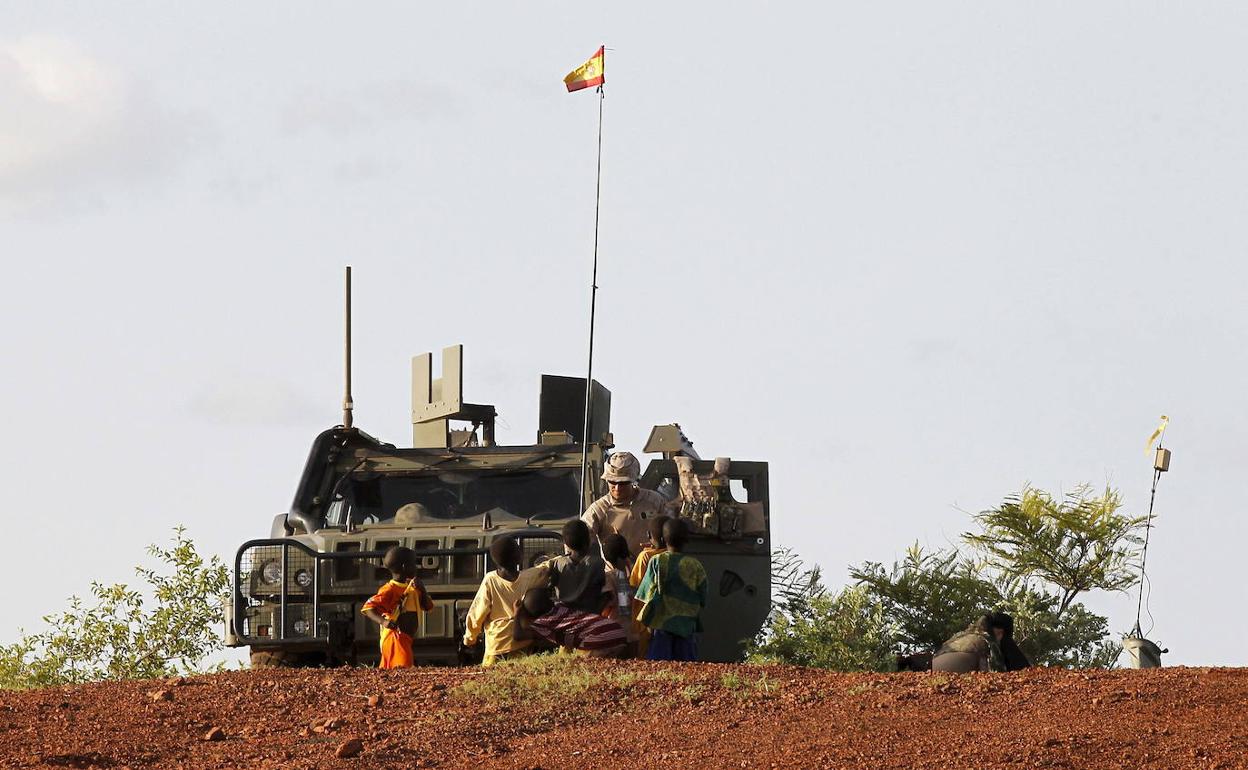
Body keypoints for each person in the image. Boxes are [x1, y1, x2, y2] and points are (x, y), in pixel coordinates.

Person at [462, 536, 550, 666]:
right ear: (519, 557)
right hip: (521, 643)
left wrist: (470, 639)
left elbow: (476, 614)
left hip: (497, 645)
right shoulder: (529, 577)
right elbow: (545, 568)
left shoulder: (490, 580)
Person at [635, 518, 707, 661]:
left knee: (659, 664)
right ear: (687, 540)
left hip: (662, 623)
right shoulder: (696, 565)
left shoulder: (656, 561)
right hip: (686, 624)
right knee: (688, 666)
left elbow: (646, 593)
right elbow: (703, 595)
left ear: (662, 539)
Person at [582, 451, 673, 558]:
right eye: (612, 482)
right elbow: (578, 537)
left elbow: (672, 529)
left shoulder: (654, 500)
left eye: (622, 483)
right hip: (617, 571)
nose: (617, 488)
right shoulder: (599, 509)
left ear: (633, 481)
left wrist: (659, 545)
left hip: (653, 568)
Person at [361, 546, 435, 669]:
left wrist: (422, 589)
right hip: (395, 638)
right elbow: (368, 608)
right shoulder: (390, 589)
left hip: (405, 639)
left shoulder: (413, 587)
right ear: (405, 567)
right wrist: (384, 621)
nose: (416, 567)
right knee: (404, 671)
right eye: (413, 564)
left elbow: (428, 607)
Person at [512, 587, 627, 657]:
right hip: (617, 630)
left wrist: (517, 613)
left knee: (583, 667)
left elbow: (518, 636)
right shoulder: (560, 607)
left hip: (598, 638)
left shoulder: (543, 623)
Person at [628, 514, 671, 658]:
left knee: (644, 654)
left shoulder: (645, 556)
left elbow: (635, 584)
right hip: (668, 615)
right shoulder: (674, 556)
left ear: (648, 535)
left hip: (646, 617)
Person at [547, 519, 608, 614]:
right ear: (588, 541)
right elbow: (602, 586)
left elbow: (551, 585)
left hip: (564, 614)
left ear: (566, 544)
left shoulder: (559, 563)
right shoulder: (597, 563)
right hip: (589, 613)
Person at [600, 533, 638, 656]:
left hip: (614, 633)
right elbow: (626, 605)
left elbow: (607, 602)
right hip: (632, 634)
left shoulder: (609, 578)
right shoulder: (627, 578)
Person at [931, 614, 1006, 673]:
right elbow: (991, 673)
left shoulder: (961, 635)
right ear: (999, 632)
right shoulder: (987, 640)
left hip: (932, 668)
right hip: (948, 673)